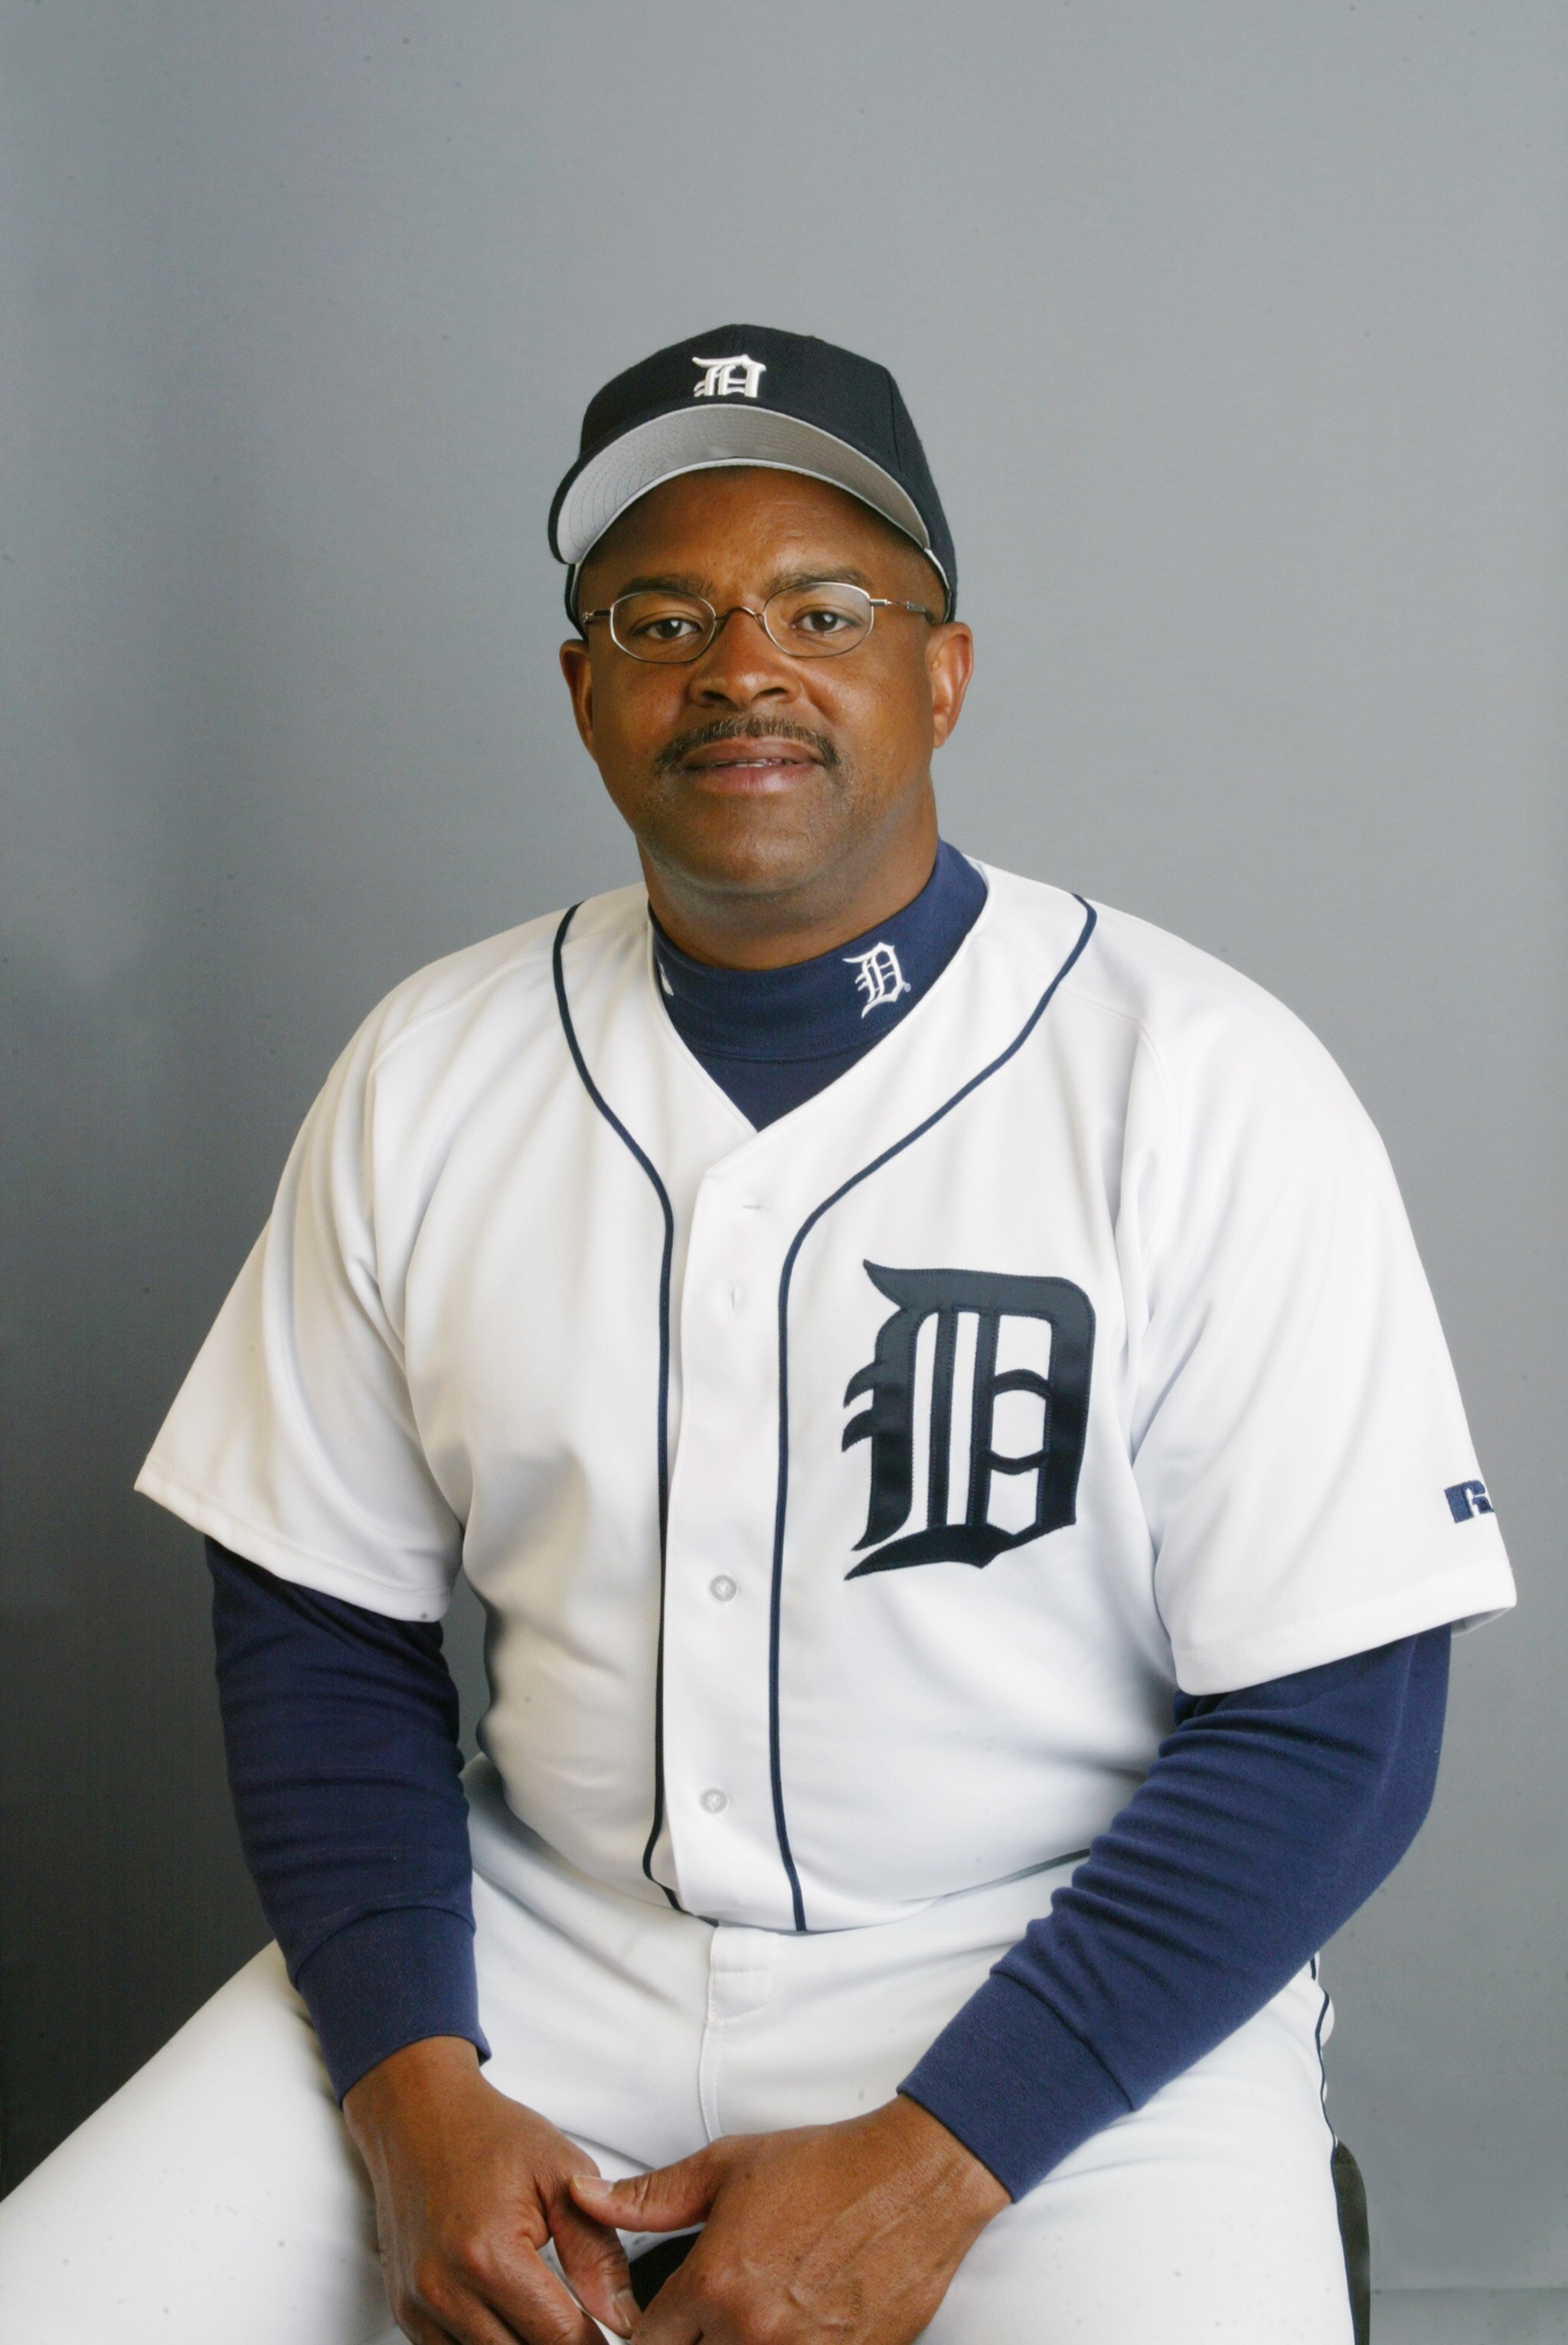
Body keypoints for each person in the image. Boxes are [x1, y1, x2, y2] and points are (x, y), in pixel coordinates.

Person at [0, 325, 1514, 2345]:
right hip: (523, 1945)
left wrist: (938, 2164)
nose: (738, 669)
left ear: (941, 667)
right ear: (586, 693)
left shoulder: (1202, 1080)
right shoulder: (431, 1066)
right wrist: (408, 2088)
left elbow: (1344, 1717)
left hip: (1050, 1982)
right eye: (662, 616)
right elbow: (317, 1619)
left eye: (822, 607)